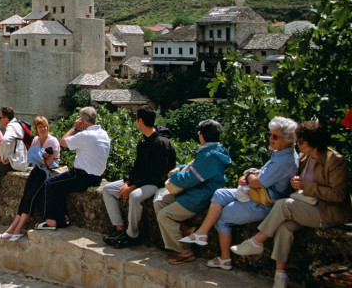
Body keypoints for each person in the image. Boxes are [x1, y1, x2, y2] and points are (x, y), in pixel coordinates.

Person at [231, 121, 351, 288]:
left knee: (283, 205)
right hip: (306, 205)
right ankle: (280, 275)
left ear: (312, 143)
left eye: (300, 141)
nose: (297, 144)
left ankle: (257, 242)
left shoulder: (335, 161)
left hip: (326, 212)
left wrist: (305, 186)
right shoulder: (304, 158)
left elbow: (338, 195)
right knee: (284, 227)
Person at [178, 117, 299, 270]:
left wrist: (248, 175)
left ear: (288, 139)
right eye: (270, 134)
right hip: (258, 193)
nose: (270, 138)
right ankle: (202, 232)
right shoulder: (280, 153)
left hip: (265, 202)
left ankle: (225, 258)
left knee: (222, 218)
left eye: (275, 136)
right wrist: (251, 175)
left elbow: (256, 182)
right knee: (220, 194)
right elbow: (260, 175)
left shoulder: (285, 160)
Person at [154, 119, 231, 265]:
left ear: (201, 135)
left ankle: (184, 251)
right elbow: (195, 167)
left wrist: (174, 175)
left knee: (164, 216)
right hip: (196, 192)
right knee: (159, 203)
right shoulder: (213, 150)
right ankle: (186, 229)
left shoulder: (209, 156)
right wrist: (180, 167)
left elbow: (188, 179)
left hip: (198, 197)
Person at [102, 108, 177, 248]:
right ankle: (119, 229)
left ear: (140, 121)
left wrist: (132, 187)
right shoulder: (143, 140)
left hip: (156, 183)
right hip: (140, 180)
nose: (135, 122)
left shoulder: (161, 143)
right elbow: (137, 166)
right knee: (107, 189)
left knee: (135, 196)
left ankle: (132, 235)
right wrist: (127, 181)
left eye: (136, 119)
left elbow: (157, 175)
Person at [36, 106, 111, 230]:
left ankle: (49, 220)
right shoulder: (104, 133)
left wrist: (75, 127)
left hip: (82, 176)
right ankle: (63, 217)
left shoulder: (85, 135)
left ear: (82, 120)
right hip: (97, 177)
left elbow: (63, 142)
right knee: (60, 185)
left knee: (49, 184)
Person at [0, 116, 60, 241]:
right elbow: (35, 159)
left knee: (31, 198)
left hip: (47, 173)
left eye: (44, 126)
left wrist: (38, 156)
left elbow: (48, 163)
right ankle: (12, 227)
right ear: (36, 129)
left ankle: (18, 228)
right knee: (25, 196)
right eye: (40, 127)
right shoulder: (36, 140)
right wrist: (39, 156)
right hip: (37, 170)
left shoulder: (52, 141)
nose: (43, 129)